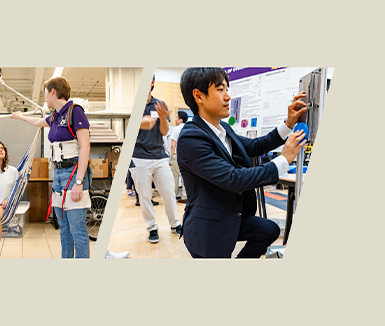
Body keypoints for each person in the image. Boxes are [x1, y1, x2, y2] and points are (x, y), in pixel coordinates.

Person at [177, 67, 307, 258]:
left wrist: (288, 124)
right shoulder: (191, 138)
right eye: (220, 90)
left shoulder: (223, 129)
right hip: (207, 229)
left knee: (268, 230)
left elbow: (255, 146)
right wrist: (284, 159)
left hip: (230, 215)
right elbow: (233, 178)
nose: (228, 96)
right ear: (198, 96)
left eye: (226, 89)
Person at [12, 76, 91, 259]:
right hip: (58, 175)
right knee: (63, 227)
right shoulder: (55, 116)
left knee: (77, 229)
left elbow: (85, 147)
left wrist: (79, 181)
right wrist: (20, 117)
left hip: (73, 174)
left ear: (53, 91)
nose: (45, 98)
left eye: (45, 93)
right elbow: (38, 123)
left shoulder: (75, 112)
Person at [130, 75, 181, 244]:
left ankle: (174, 224)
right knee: (144, 196)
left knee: (168, 192)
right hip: (139, 157)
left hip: (159, 156)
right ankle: (152, 227)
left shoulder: (160, 105)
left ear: (152, 83)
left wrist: (162, 118)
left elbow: (165, 132)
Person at [170, 110, 189, 203]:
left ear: (181, 120)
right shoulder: (189, 128)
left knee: (175, 177)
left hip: (177, 155)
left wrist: (171, 156)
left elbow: (173, 145)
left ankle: (173, 196)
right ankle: (184, 196)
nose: (175, 119)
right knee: (185, 177)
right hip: (188, 156)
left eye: (176, 117)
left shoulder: (176, 129)